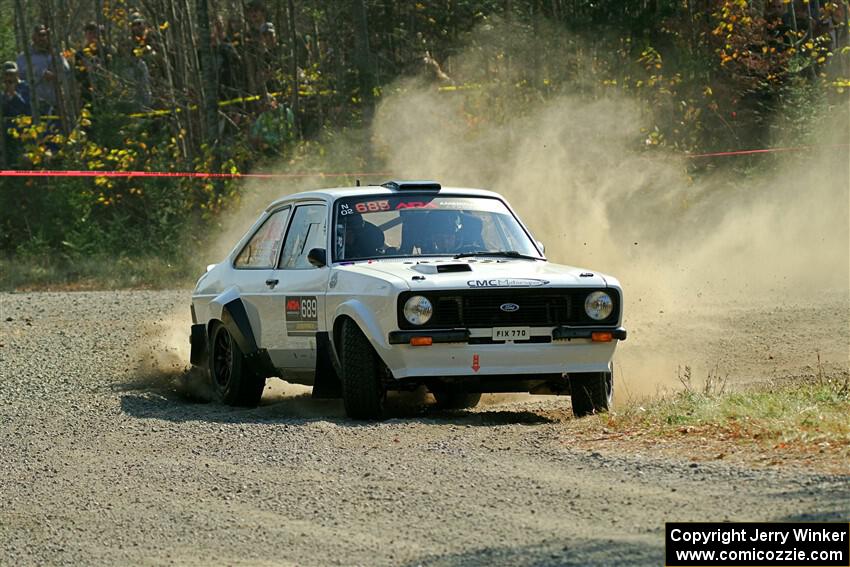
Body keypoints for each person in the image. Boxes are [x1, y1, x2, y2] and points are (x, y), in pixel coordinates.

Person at [16, 24, 71, 114]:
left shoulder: (56, 55)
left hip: (55, 104)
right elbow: (19, 76)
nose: (43, 38)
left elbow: (67, 72)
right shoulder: (24, 57)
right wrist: (41, 73)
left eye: (45, 35)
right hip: (33, 105)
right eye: (40, 35)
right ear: (33, 37)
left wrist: (56, 76)